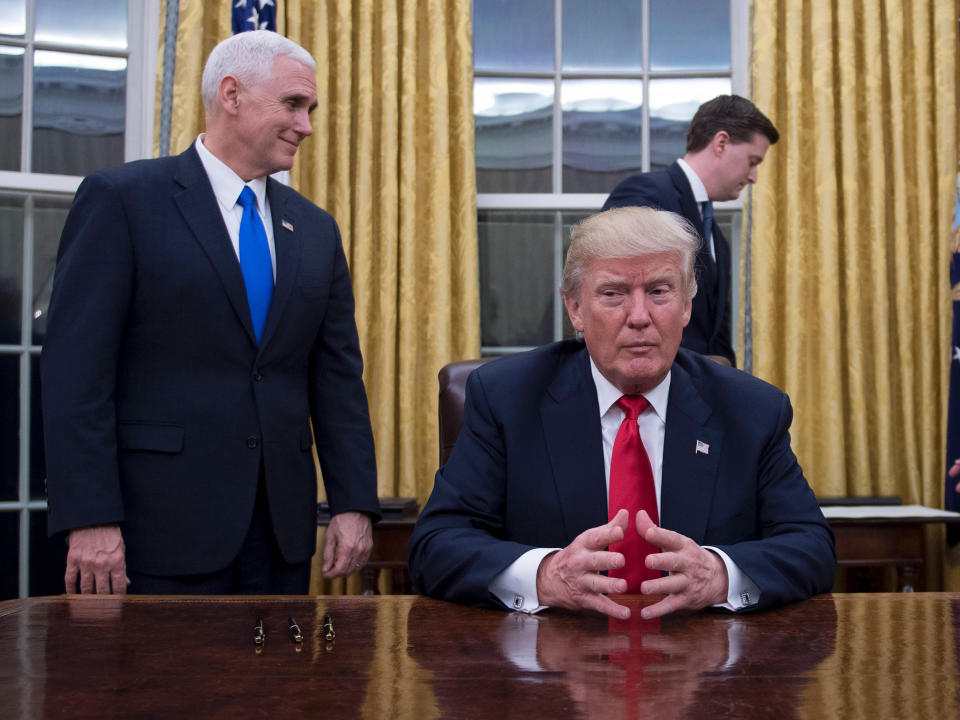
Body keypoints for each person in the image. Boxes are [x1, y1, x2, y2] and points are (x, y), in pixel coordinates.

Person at [42, 30, 379, 595]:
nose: (307, 126)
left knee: (281, 687)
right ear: (231, 95)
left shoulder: (316, 230)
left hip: (279, 537)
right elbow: (77, 374)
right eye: (293, 105)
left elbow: (337, 377)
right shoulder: (123, 201)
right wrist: (89, 515)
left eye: (310, 109)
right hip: (157, 533)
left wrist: (353, 503)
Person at [408, 206, 835, 620]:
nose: (639, 317)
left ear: (686, 305)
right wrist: (545, 576)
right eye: (613, 294)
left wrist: (720, 575)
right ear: (575, 308)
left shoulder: (751, 410)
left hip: (704, 665)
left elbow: (811, 547)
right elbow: (435, 546)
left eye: (659, 292)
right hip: (550, 665)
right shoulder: (508, 398)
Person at [602, 95, 779, 367]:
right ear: (721, 143)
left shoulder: (718, 239)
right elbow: (616, 299)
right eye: (752, 161)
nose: (753, 176)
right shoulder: (645, 195)